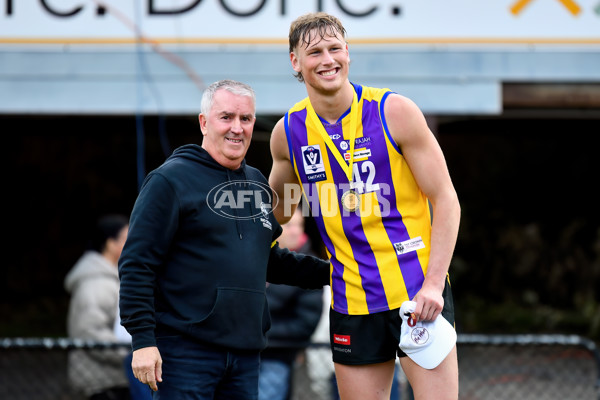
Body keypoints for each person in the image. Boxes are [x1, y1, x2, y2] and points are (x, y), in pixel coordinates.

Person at [268, 12, 461, 400]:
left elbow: (446, 200)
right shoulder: (288, 132)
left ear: (348, 53)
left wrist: (434, 285)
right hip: (351, 299)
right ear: (295, 62)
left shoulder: (395, 112)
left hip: (417, 295)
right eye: (315, 52)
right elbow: (276, 213)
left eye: (335, 48)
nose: (327, 59)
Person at [118, 79, 330, 399]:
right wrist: (143, 341)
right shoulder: (169, 180)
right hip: (186, 353)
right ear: (204, 122)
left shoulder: (257, 183)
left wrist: (336, 271)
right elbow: (137, 264)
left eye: (245, 119)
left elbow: (269, 260)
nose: (237, 128)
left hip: (246, 355)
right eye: (226, 117)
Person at [64, 214, 132, 400]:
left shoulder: (111, 279)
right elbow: (90, 332)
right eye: (128, 238)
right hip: (103, 384)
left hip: (115, 380)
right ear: (111, 244)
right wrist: (132, 355)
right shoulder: (95, 284)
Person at [259, 207, 323, 400]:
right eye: (288, 225)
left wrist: (257, 331)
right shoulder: (256, 258)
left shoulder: (311, 266)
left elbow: (304, 324)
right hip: (243, 353)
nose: (296, 231)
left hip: (276, 356)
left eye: (300, 225)